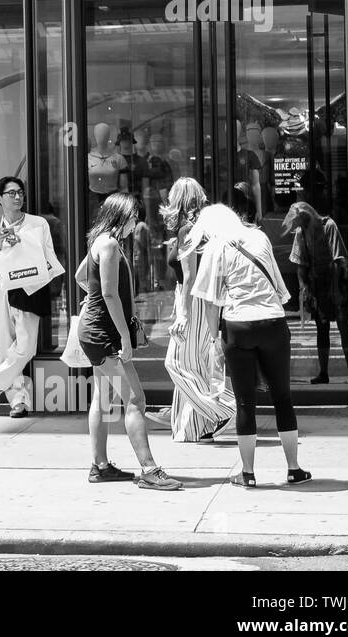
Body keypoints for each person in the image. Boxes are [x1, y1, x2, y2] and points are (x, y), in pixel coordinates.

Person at [186, 203, 310, 486]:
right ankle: (293, 468)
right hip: (272, 323)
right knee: (282, 398)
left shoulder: (216, 247)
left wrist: (215, 339)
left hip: (237, 326)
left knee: (245, 403)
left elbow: (208, 300)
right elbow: (279, 288)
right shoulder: (260, 237)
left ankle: (248, 474)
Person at [79, 192, 181, 491]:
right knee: (136, 399)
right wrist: (124, 336)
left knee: (101, 398)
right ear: (121, 215)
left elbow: (79, 276)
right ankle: (149, 470)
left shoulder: (101, 241)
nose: (136, 222)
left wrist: (93, 296)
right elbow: (109, 294)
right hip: (103, 333)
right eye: (133, 216)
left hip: (95, 329)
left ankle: (100, 466)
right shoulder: (109, 244)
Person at [0, 177, 61, 418]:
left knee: (25, 347)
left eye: (20, 192)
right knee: (5, 345)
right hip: (2, 288)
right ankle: (18, 401)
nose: (17, 197)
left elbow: (48, 255)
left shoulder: (38, 224)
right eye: (11, 193)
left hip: (29, 287)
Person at [162, 179, 235, 442]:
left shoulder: (188, 230)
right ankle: (196, 428)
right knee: (198, 366)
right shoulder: (208, 227)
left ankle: (223, 408)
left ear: (178, 199)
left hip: (193, 301)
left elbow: (189, 277)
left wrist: (183, 314)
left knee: (176, 362)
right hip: (208, 300)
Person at [283, 201, 348, 386]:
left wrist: (337, 289)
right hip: (317, 285)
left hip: (336, 282)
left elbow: (339, 260)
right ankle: (323, 372)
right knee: (322, 329)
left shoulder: (328, 225)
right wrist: (303, 288)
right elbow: (300, 263)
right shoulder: (301, 232)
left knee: (344, 327)